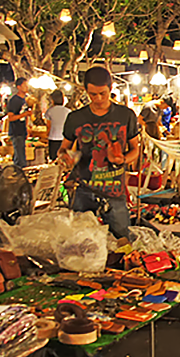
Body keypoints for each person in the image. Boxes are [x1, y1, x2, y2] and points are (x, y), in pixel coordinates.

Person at [58, 66, 141, 238]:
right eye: (93, 94)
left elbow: (135, 150)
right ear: (86, 91)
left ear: (111, 89)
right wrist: (66, 158)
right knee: (82, 239)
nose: (98, 98)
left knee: (122, 239)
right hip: (83, 189)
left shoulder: (126, 115)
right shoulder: (75, 118)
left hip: (115, 191)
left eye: (103, 93)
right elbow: (63, 149)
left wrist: (122, 159)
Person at [6, 77, 32, 168]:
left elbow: (26, 116)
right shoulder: (14, 100)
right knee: (20, 158)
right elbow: (11, 117)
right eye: (24, 85)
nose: (27, 87)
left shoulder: (25, 99)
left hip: (22, 130)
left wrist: (27, 127)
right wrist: (24, 114)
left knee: (22, 154)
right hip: (16, 131)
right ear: (19, 87)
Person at [45, 90, 70, 160]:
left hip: (53, 138)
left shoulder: (50, 111)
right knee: (63, 159)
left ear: (52, 100)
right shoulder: (68, 111)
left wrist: (47, 135)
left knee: (53, 159)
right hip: (64, 139)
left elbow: (48, 126)